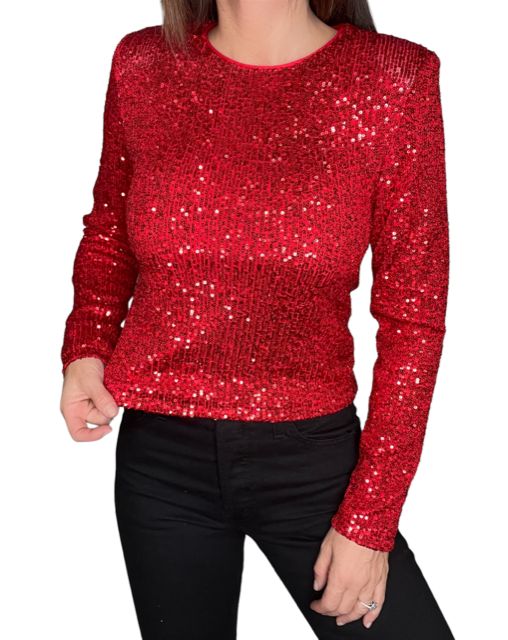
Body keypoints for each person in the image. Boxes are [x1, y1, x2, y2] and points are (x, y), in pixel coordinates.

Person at [60, 1, 455, 638]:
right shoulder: (144, 63)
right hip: (160, 461)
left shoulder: (393, 78)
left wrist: (371, 519)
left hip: (314, 466)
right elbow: (111, 228)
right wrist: (86, 347)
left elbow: (414, 314)